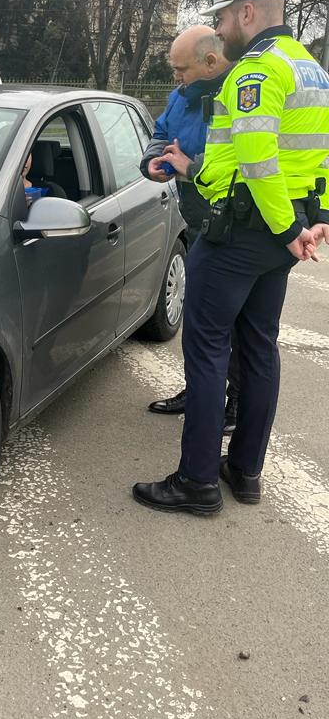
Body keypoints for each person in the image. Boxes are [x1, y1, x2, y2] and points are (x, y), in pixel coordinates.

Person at [133, 0, 329, 515]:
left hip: (243, 231)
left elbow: (258, 157)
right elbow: (321, 155)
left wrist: (289, 228)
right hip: (278, 236)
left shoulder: (258, 70)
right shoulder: (312, 69)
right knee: (260, 349)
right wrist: (317, 217)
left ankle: (196, 482)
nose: (220, 29)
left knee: (206, 351)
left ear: (246, 13)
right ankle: (244, 473)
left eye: (221, 17)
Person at [139, 26, 239, 433]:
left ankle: (233, 404)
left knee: (229, 323)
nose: (175, 77)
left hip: (233, 229)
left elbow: (241, 166)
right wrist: (152, 161)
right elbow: (161, 134)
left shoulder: (239, 97)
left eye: (181, 69)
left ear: (210, 62)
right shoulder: (181, 97)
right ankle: (199, 391)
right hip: (195, 223)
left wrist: (188, 165)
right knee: (198, 320)